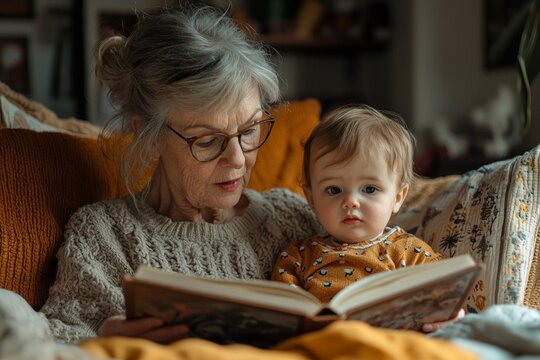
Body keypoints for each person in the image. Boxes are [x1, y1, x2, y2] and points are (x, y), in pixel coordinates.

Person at [0, 3, 460, 349]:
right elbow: (50, 341)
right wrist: (103, 337)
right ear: (150, 134)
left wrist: (428, 314)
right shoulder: (104, 236)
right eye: (207, 140)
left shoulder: (294, 216)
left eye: (250, 130)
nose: (238, 159)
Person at [272, 105, 445, 305]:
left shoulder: (409, 252)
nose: (350, 202)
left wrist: (449, 313)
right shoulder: (297, 257)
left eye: (370, 189)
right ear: (311, 198)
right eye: (334, 190)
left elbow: (445, 295)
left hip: (387, 334)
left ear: (398, 197)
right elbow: (283, 311)